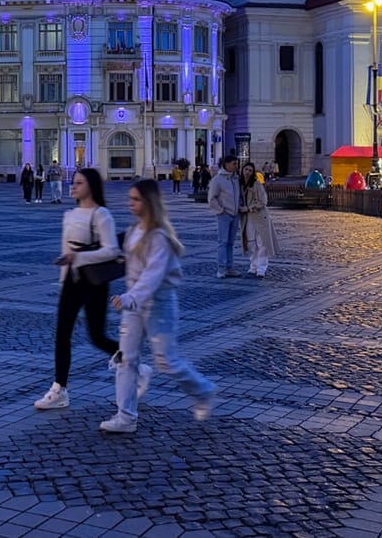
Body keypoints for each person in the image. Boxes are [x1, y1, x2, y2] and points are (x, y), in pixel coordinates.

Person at [101, 178, 217, 433]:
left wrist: (129, 297)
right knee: (126, 359)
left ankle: (204, 390)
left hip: (159, 304)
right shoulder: (134, 230)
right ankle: (126, 417)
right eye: (130, 198)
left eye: (135, 199)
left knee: (166, 361)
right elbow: (123, 261)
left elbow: (151, 277)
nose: (130, 203)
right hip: (134, 306)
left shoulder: (160, 238)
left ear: (149, 203)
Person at [33, 168, 121, 411]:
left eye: (79, 183)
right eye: (73, 182)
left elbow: (112, 251)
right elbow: (67, 251)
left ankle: (129, 360)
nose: (73, 186)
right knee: (62, 334)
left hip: (94, 282)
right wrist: (63, 279)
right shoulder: (69, 214)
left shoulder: (101, 215)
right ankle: (59, 389)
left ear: (91, 186)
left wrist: (79, 257)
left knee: (97, 336)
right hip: (72, 281)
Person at [208, 154, 244, 278]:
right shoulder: (217, 179)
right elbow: (212, 198)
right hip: (224, 215)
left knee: (230, 243)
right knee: (222, 242)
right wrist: (220, 210)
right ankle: (221, 268)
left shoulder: (236, 179)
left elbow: (239, 195)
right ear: (226, 164)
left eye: (237, 164)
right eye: (234, 164)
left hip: (235, 214)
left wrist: (240, 207)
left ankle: (230, 267)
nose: (236, 166)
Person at [240, 162, 277, 277]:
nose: (247, 172)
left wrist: (249, 208)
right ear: (242, 170)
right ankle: (253, 265)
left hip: (259, 216)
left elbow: (263, 201)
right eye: (246, 169)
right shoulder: (240, 184)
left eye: (250, 170)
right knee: (251, 242)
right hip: (247, 217)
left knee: (261, 242)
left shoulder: (257, 184)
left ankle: (262, 267)